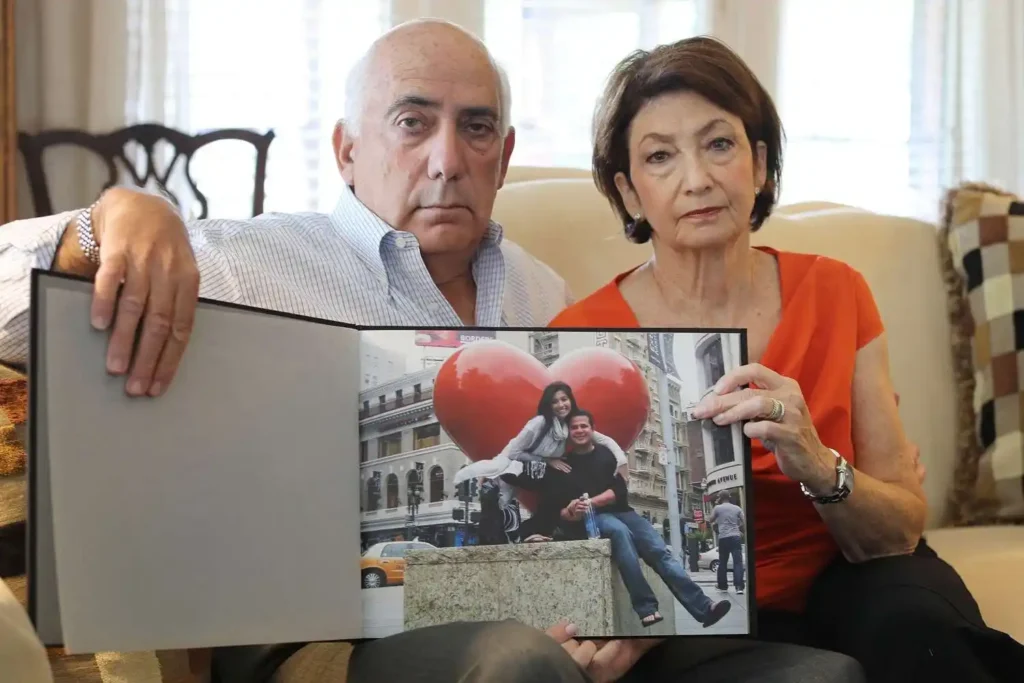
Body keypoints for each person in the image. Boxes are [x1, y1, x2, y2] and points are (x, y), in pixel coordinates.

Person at [0, 19, 868, 683]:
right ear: (347, 149)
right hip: (318, 634)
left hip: (523, 606)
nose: (447, 159)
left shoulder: (544, 293)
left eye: (476, 128)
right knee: (517, 659)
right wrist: (107, 221)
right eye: (412, 123)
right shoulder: (246, 261)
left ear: (506, 155)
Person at [549, 35, 1024, 682]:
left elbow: (899, 530)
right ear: (631, 194)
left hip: (849, 572)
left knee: (920, 627)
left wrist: (818, 463)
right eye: (660, 157)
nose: (698, 179)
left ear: (760, 164)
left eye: (719, 144)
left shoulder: (835, 290)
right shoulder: (583, 336)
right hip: (701, 612)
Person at [510, 408, 731, 629]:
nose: (579, 430)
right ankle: (646, 608)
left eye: (583, 426)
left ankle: (705, 607)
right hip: (593, 519)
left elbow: (619, 490)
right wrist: (571, 510)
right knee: (619, 532)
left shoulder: (607, 456)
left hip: (623, 511)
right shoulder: (562, 465)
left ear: (592, 429)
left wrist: (591, 501)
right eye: (574, 427)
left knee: (658, 549)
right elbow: (556, 506)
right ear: (568, 432)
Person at [452, 381, 628, 488]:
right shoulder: (539, 423)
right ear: (548, 405)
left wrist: (622, 462)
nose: (561, 405)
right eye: (555, 402)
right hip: (516, 469)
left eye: (564, 399)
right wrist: (547, 460)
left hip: (541, 472)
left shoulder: (571, 424)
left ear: (571, 400)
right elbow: (514, 451)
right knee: (504, 508)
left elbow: (603, 440)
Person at [708, 492, 745, 594]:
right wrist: (740, 530)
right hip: (735, 537)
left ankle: (723, 586)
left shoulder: (718, 508)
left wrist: (716, 505)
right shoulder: (737, 508)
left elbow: (710, 520)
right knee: (737, 562)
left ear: (720, 498)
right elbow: (744, 520)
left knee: (723, 562)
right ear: (729, 497)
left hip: (723, 538)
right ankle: (739, 587)